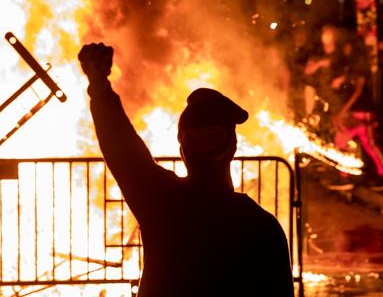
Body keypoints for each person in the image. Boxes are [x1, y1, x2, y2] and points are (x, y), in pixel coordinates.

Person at [79, 43, 294, 296]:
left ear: (230, 146)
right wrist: (101, 90)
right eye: (193, 141)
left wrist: (100, 88)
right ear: (183, 148)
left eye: (211, 140)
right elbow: (123, 149)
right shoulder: (164, 200)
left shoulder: (258, 227)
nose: (203, 150)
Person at [326, 35, 383, 191]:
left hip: (363, 112)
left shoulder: (360, 68)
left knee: (370, 145)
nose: (344, 50)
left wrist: (343, 112)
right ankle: (345, 178)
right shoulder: (350, 68)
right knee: (341, 142)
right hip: (354, 113)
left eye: (347, 46)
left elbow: (358, 92)